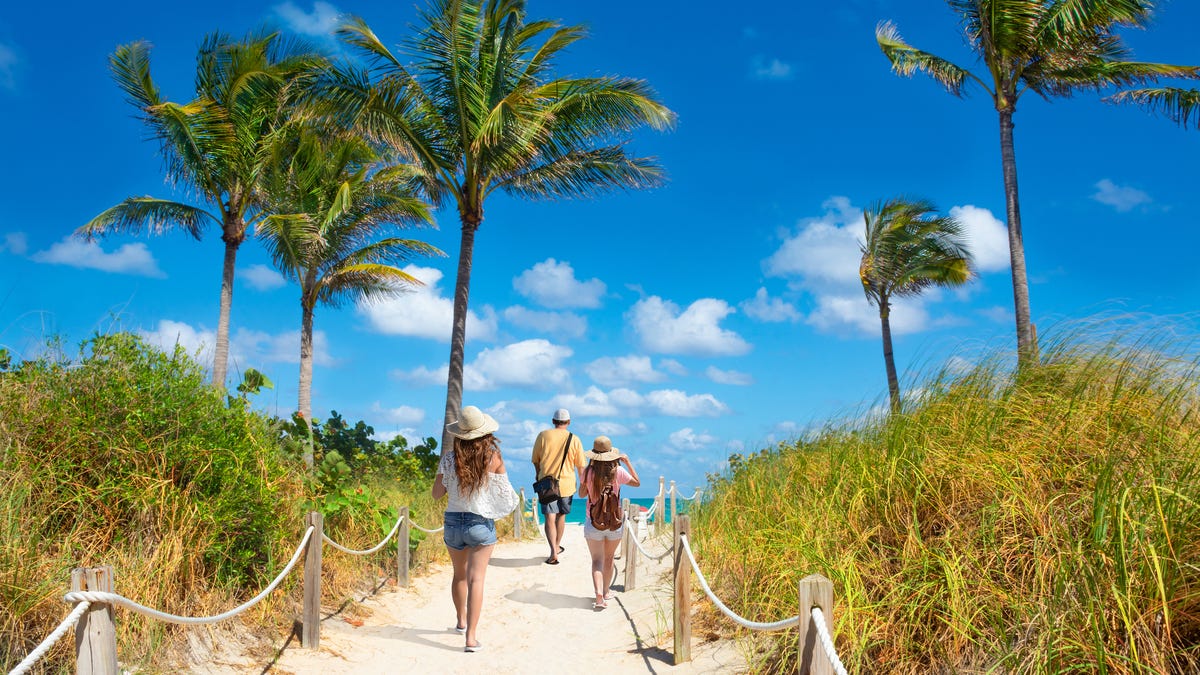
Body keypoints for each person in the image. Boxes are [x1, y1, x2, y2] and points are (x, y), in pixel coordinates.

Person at [432, 405, 507, 653]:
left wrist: (449, 481)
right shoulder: (493, 458)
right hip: (479, 524)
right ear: (485, 433)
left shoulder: (448, 459)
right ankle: (471, 638)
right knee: (477, 579)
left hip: (453, 522)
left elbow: (436, 494)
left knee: (459, 575)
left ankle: (461, 622)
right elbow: (504, 497)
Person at [578, 436, 640, 610]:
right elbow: (637, 483)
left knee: (596, 560)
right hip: (614, 522)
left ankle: (598, 596)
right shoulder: (618, 471)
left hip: (593, 522)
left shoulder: (588, 472)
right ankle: (606, 592)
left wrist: (586, 481)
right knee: (609, 558)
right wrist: (627, 462)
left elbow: (582, 494)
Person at [530, 408, 585, 565]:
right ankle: (557, 546)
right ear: (568, 422)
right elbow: (581, 465)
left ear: (553, 421)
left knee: (549, 516)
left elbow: (536, 459)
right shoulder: (574, 439)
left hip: (547, 483)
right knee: (561, 515)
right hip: (567, 484)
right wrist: (583, 483)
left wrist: (538, 474)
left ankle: (553, 551)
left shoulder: (543, 435)